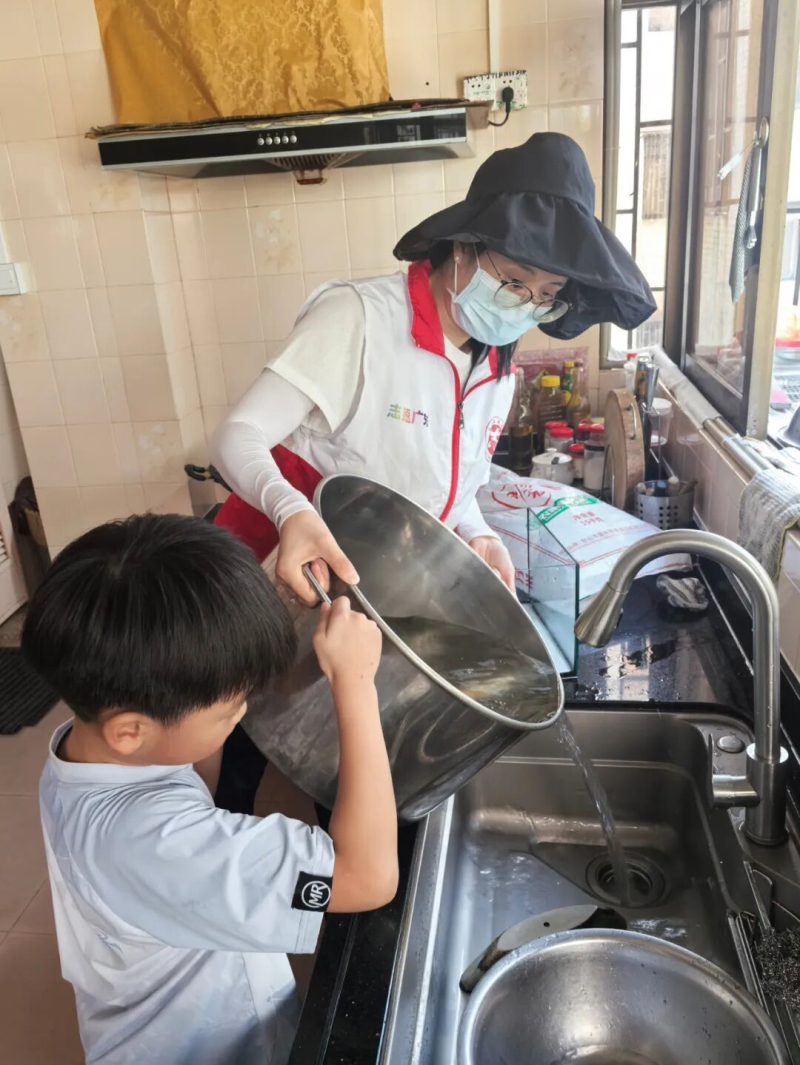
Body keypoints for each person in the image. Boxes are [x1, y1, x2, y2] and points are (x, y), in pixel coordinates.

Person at [209, 131, 656, 814]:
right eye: (514, 281)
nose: (524, 306)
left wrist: (479, 534)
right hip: (273, 580)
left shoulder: (496, 365)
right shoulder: (361, 318)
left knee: (318, 759)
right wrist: (292, 510)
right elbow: (235, 436)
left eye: (546, 295)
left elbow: (453, 485)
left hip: (367, 600)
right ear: (463, 248)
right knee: (240, 753)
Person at [24, 514, 397, 1065]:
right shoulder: (159, 845)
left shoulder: (87, 752)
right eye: (230, 709)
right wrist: (356, 684)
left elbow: (193, 780)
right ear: (130, 730)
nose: (243, 712)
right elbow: (366, 879)